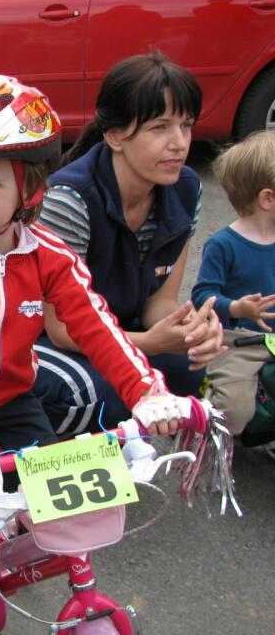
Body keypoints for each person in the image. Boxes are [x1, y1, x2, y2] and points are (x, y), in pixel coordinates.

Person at [0, 75, 192, 635]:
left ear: (29, 189)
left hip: (13, 397)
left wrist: (147, 392)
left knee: (63, 485)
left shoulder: (50, 253)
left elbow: (96, 326)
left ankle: (43, 562)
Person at [35, 51, 225, 437]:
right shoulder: (70, 198)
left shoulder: (186, 189)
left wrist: (191, 330)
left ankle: (135, 449)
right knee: (98, 393)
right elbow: (60, 328)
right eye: (159, 127)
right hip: (42, 339)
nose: (179, 143)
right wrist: (149, 343)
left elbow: (159, 302)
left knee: (188, 368)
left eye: (186, 125)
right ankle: (51, 455)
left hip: (119, 329)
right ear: (115, 135)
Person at [191, 131, 275, 440]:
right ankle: (209, 435)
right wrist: (237, 307)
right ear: (267, 199)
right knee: (234, 410)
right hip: (239, 341)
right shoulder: (224, 244)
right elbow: (202, 296)